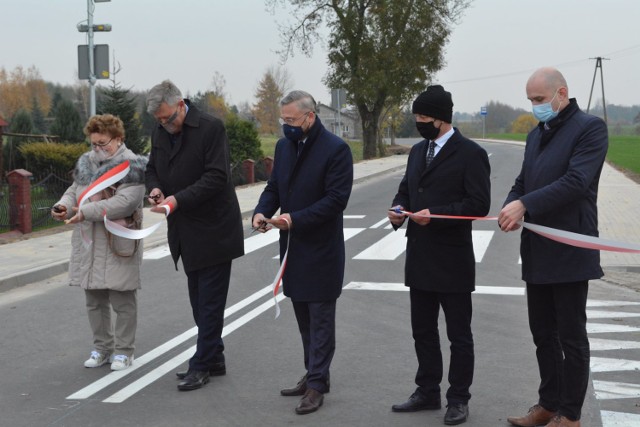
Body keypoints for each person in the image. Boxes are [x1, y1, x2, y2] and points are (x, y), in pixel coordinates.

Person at [499, 67, 608, 427]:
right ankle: (548, 404)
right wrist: (511, 204)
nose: (535, 107)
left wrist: (526, 204)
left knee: (571, 337)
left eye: (540, 100)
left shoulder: (589, 129)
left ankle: (570, 415)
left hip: (570, 248)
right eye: (530, 101)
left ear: (561, 93)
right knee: (543, 334)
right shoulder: (536, 135)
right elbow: (521, 181)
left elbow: (577, 181)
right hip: (537, 250)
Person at [388, 85, 491, 426]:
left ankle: (458, 398)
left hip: (452, 258)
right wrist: (398, 209)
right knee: (423, 331)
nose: (418, 123)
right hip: (419, 255)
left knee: (458, 335)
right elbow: (407, 187)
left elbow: (478, 205)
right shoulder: (418, 151)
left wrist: (437, 214)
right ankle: (427, 390)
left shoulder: (470, 153)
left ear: (441, 119)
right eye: (416, 117)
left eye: (423, 118)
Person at [252, 90, 353, 415]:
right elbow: (274, 187)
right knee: (304, 320)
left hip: (321, 249)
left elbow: (335, 201)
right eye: (284, 120)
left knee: (321, 319)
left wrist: (294, 219)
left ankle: (317, 386)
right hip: (292, 249)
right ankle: (313, 372)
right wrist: (261, 211)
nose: (287, 126)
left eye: (292, 121)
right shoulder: (284, 147)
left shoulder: (336, 150)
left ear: (310, 117)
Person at [145, 80, 244, 391]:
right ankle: (215, 357)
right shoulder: (160, 131)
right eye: (159, 120)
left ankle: (200, 364)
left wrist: (177, 200)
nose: (164, 124)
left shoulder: (210, 128)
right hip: (185, 230)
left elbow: (217, 177)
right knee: (198, 301)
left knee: (210, 303)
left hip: (215, 228)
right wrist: (156, 189)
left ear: (180, 105)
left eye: (168, 118)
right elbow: (152, 169)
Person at [52, 114, 147, 371]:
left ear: (118, 139)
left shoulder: (132, 165)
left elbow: (124, 202)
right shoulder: (88, 163)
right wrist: (63, 204)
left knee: (122, 300)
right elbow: (75, 190)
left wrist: (87, 212)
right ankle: (102, 348)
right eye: (94, 143)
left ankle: (124, 351)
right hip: (90, 241)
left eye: (103, 143)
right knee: (94, 299)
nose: (97, 149)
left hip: (118, 239)